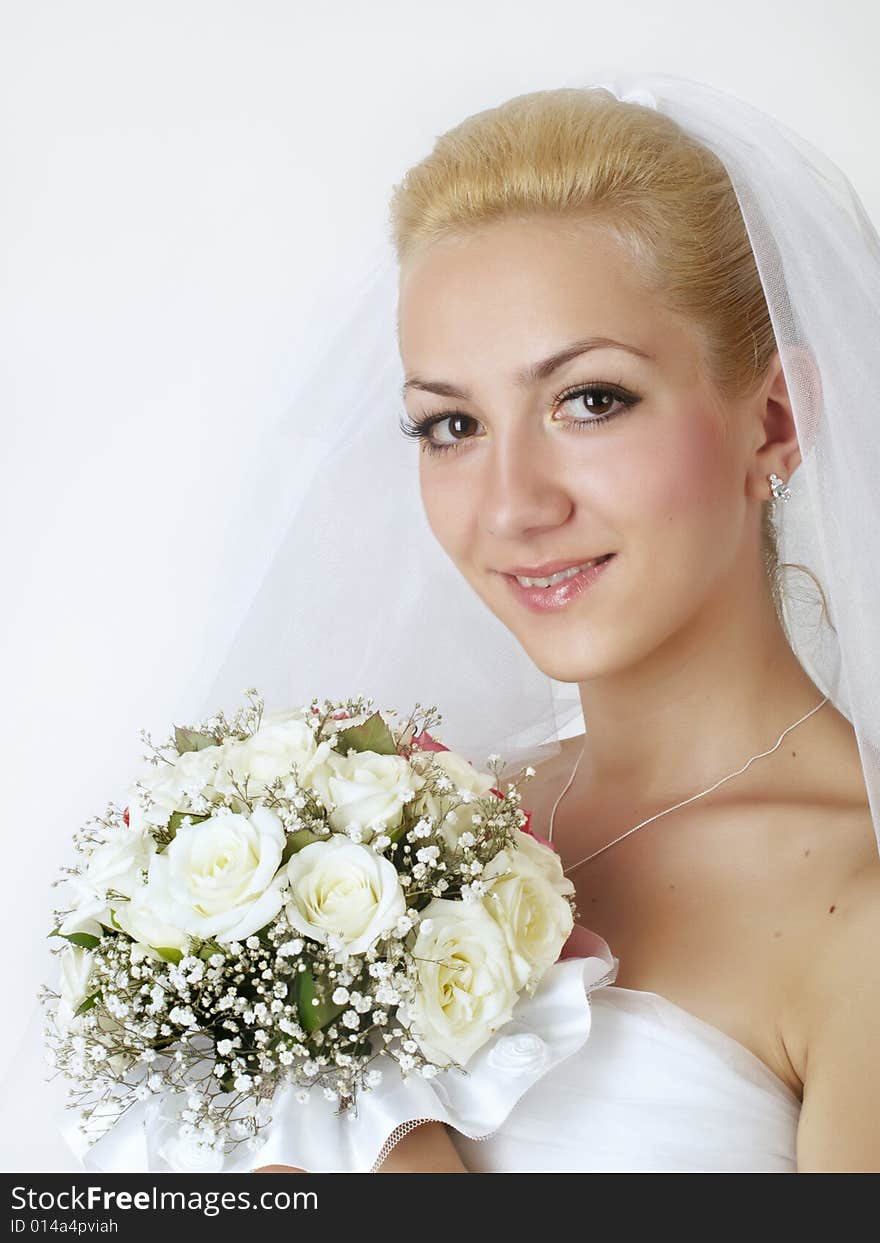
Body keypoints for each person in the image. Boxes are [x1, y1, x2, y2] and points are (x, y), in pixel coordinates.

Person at [253, 76, 880, 1173]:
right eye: (450, 423)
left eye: (590, 399)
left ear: (774, 420)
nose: (510, 505)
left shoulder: (857, 898)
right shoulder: (388, 840)